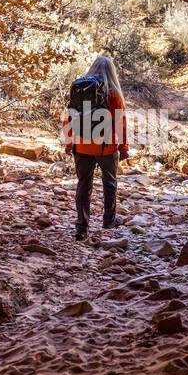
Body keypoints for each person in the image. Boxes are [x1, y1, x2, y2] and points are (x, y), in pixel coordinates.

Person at [62, 55, 128, 241]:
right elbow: (119, 122)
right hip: (105, 147)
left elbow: (70, 117)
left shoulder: (80, 88)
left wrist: (69, 143)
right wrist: (123, 148)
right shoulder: (112, 92)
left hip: (81, 145)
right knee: (110, 183)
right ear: (112, 71)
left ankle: (81, 228)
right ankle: (109, 221)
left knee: (83, 185)